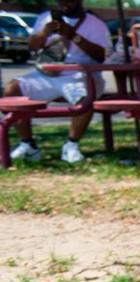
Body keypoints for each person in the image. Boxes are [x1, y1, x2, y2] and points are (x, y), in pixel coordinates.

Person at [2, 0, 111, 163]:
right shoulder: (46, 18)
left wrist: (74, 36)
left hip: (79, 74)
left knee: (86, 97)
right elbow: (32, 47)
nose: (63, 3)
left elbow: (101, 56)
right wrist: (44, 32)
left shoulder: (96, 24)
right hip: (48, 72)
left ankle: (71, 145)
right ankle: (29, 145)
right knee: (12, 90)